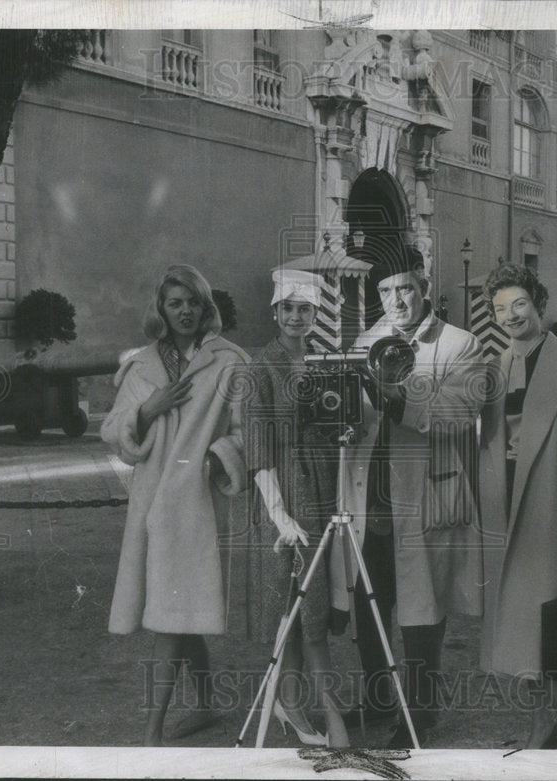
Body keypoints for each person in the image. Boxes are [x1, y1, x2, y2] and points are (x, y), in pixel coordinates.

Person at [334, 246, 487, 748]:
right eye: (385, 291)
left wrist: (399, 396)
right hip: (370, 496)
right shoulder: (367, 340)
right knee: (369, 600)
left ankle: (419, 713)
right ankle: (378, 701)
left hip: (426, 494)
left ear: (424, 285)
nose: (396, 300)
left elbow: (460, 415)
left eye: (404, 288)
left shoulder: (460, 344)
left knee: (423, 609)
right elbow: (354, 418)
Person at [101, 264, 249, 746]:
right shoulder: (142, 364)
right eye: (174, 303)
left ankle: (152, 730)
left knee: (173, 611)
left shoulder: (230, 361)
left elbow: (248, 432)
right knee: (183, 608)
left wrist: (219, 456)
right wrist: (148, 409)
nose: (184, 311)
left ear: (206, 307)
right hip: (153, 501)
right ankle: (205, 707)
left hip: (200, 504)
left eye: (192, 302)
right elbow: (114, 430)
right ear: (161, 309)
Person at [478, 263, 557, 750]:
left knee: (555, 631)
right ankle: (540, 727)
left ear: (538, 305)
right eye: (500, 309)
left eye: (519, 305)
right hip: (504, 509)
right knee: (518, 635)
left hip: (552, 509)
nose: (511, 316)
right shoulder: (495, 367)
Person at [244, 269, 349, 748]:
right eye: (287, 308)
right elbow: (258, 446)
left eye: (304, 308)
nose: (295, 316)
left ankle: (293, 704)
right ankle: (325, 716)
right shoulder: (259, 366)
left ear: (316, 313)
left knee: (308, 608)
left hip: (323, 485)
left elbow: (335, 423)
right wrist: (278, 514)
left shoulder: (322, 360)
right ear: (274, 312)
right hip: (283, 491)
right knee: (296, 609)